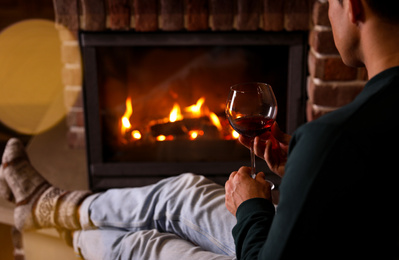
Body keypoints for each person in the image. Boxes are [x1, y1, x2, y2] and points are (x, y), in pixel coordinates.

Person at [1, 0, 398, 259]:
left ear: (353, 6)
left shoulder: (335, 137)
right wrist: (303, 165)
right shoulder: (347, 135)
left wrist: (251, 205)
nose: (328, 13)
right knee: (184, 191)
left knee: (142, 244)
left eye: (329, 2)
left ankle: (59, 235)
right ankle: (51, 205)